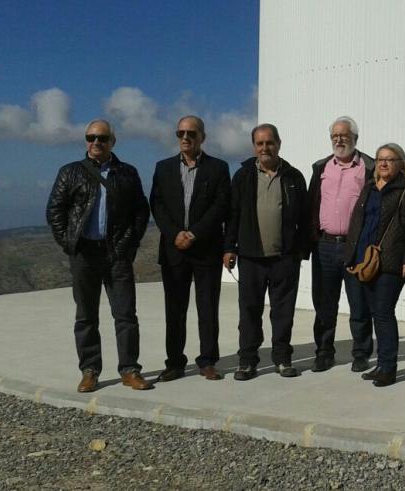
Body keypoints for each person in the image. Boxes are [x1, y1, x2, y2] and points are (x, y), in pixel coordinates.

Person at [45, 119, 152, 392]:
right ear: (85, 141)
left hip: (116, 254)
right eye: (91, 137)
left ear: (112, 142)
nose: (96, 143)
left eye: (102, 138)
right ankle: (90, 370)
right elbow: (55, 211)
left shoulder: (127, 173)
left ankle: (129, 370)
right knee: (86, 316)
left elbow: (141, 212)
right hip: (84, 255)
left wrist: (127, 246)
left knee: (126, 315)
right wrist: (70, 244)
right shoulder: (70, 172)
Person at [223, 123, 309, 381]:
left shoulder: (294, 177)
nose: (264, 148)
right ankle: (247, 361)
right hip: (250, 257)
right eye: (259, 143)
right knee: (249, 311)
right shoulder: (243, 176)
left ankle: (282, 359)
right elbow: (233, 215)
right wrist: (229, 248)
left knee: (283, 312)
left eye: (269, 142)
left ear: (279, 144)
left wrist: (300, 252)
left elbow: (305, 218)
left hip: (284, 257)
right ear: (254, 147)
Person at [150, 116, 231, 383]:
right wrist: (176, 234)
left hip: (205, 248)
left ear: (202, 137)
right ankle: (174, 362)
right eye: (181, 133)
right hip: (174, 250)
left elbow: (221, 206)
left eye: (191, 133)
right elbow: (157, 205)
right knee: (175, 310)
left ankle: (207, 361)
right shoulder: (162, 168)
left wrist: (194, 233)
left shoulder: (218, 168)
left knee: (208, 308)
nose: (186, 137)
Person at [344, 143, 405, 387]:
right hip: (364, 261)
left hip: (391, 263)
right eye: (380, 159)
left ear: (401, 163)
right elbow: (357, 222)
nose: (383, 163)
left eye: (390, 159)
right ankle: (380, 364)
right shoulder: (368, 188)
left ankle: (388, 368)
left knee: (383, 312)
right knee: (371, 313)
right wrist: (350, 257)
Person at [306, 116, 375, 373]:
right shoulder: (321, 168)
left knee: (359, 303)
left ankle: (361, 353)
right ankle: (324, 352)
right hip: (324, 245)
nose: (339, 140)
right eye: (335, 136)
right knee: (324, 303)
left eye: (344, 135)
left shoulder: (368, 167)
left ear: (355, 138)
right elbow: (311, 204)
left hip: (354, 246)